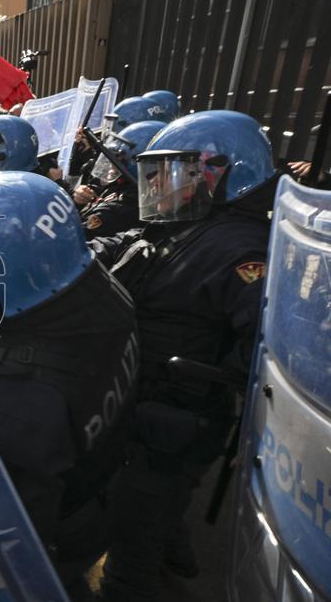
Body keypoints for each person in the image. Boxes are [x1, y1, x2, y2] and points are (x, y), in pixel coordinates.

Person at [0, 172, 139, 598]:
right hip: (100, 493)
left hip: (51, 544)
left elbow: (9, 539)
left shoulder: (9, 399)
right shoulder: (96, 290)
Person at [91, 110, 277, 601]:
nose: (163, 188)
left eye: (177, 174)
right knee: (156, 512)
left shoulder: (240, 249)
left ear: (223, 176)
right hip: (149, 405)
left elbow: (265, 343)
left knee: (131, 546)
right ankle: (179, 556)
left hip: (173, 417)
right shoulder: (188, 224)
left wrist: (201, 382)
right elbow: (130, 245)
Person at [77, 120, 168, 238]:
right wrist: (80, 198)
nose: (111, 165)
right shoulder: (122, 187)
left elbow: (76, 235)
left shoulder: (125, 207)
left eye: (119, 158)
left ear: (137, 162)